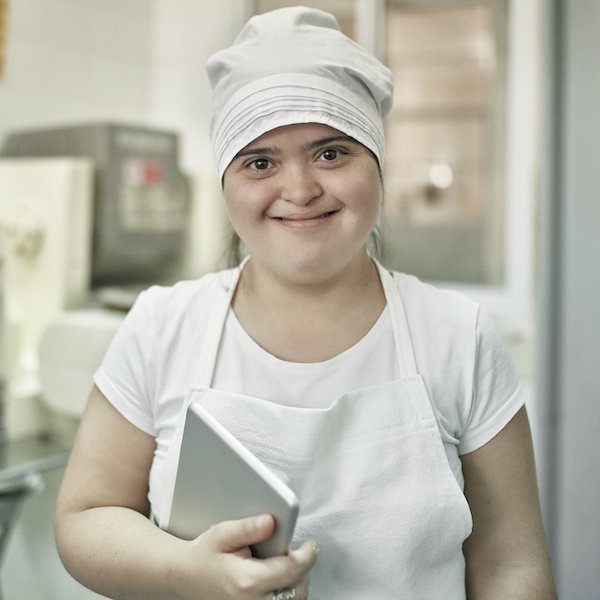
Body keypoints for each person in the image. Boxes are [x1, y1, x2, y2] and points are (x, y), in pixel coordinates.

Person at [55, 6, 556, 599]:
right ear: (225, 184)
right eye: (260, 162)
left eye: (330, 153)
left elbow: (510, 563)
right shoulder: (163, 326)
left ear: (376, 164)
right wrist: (186, 571)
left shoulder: (458, 336)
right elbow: (85, 517)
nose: (299, 190)